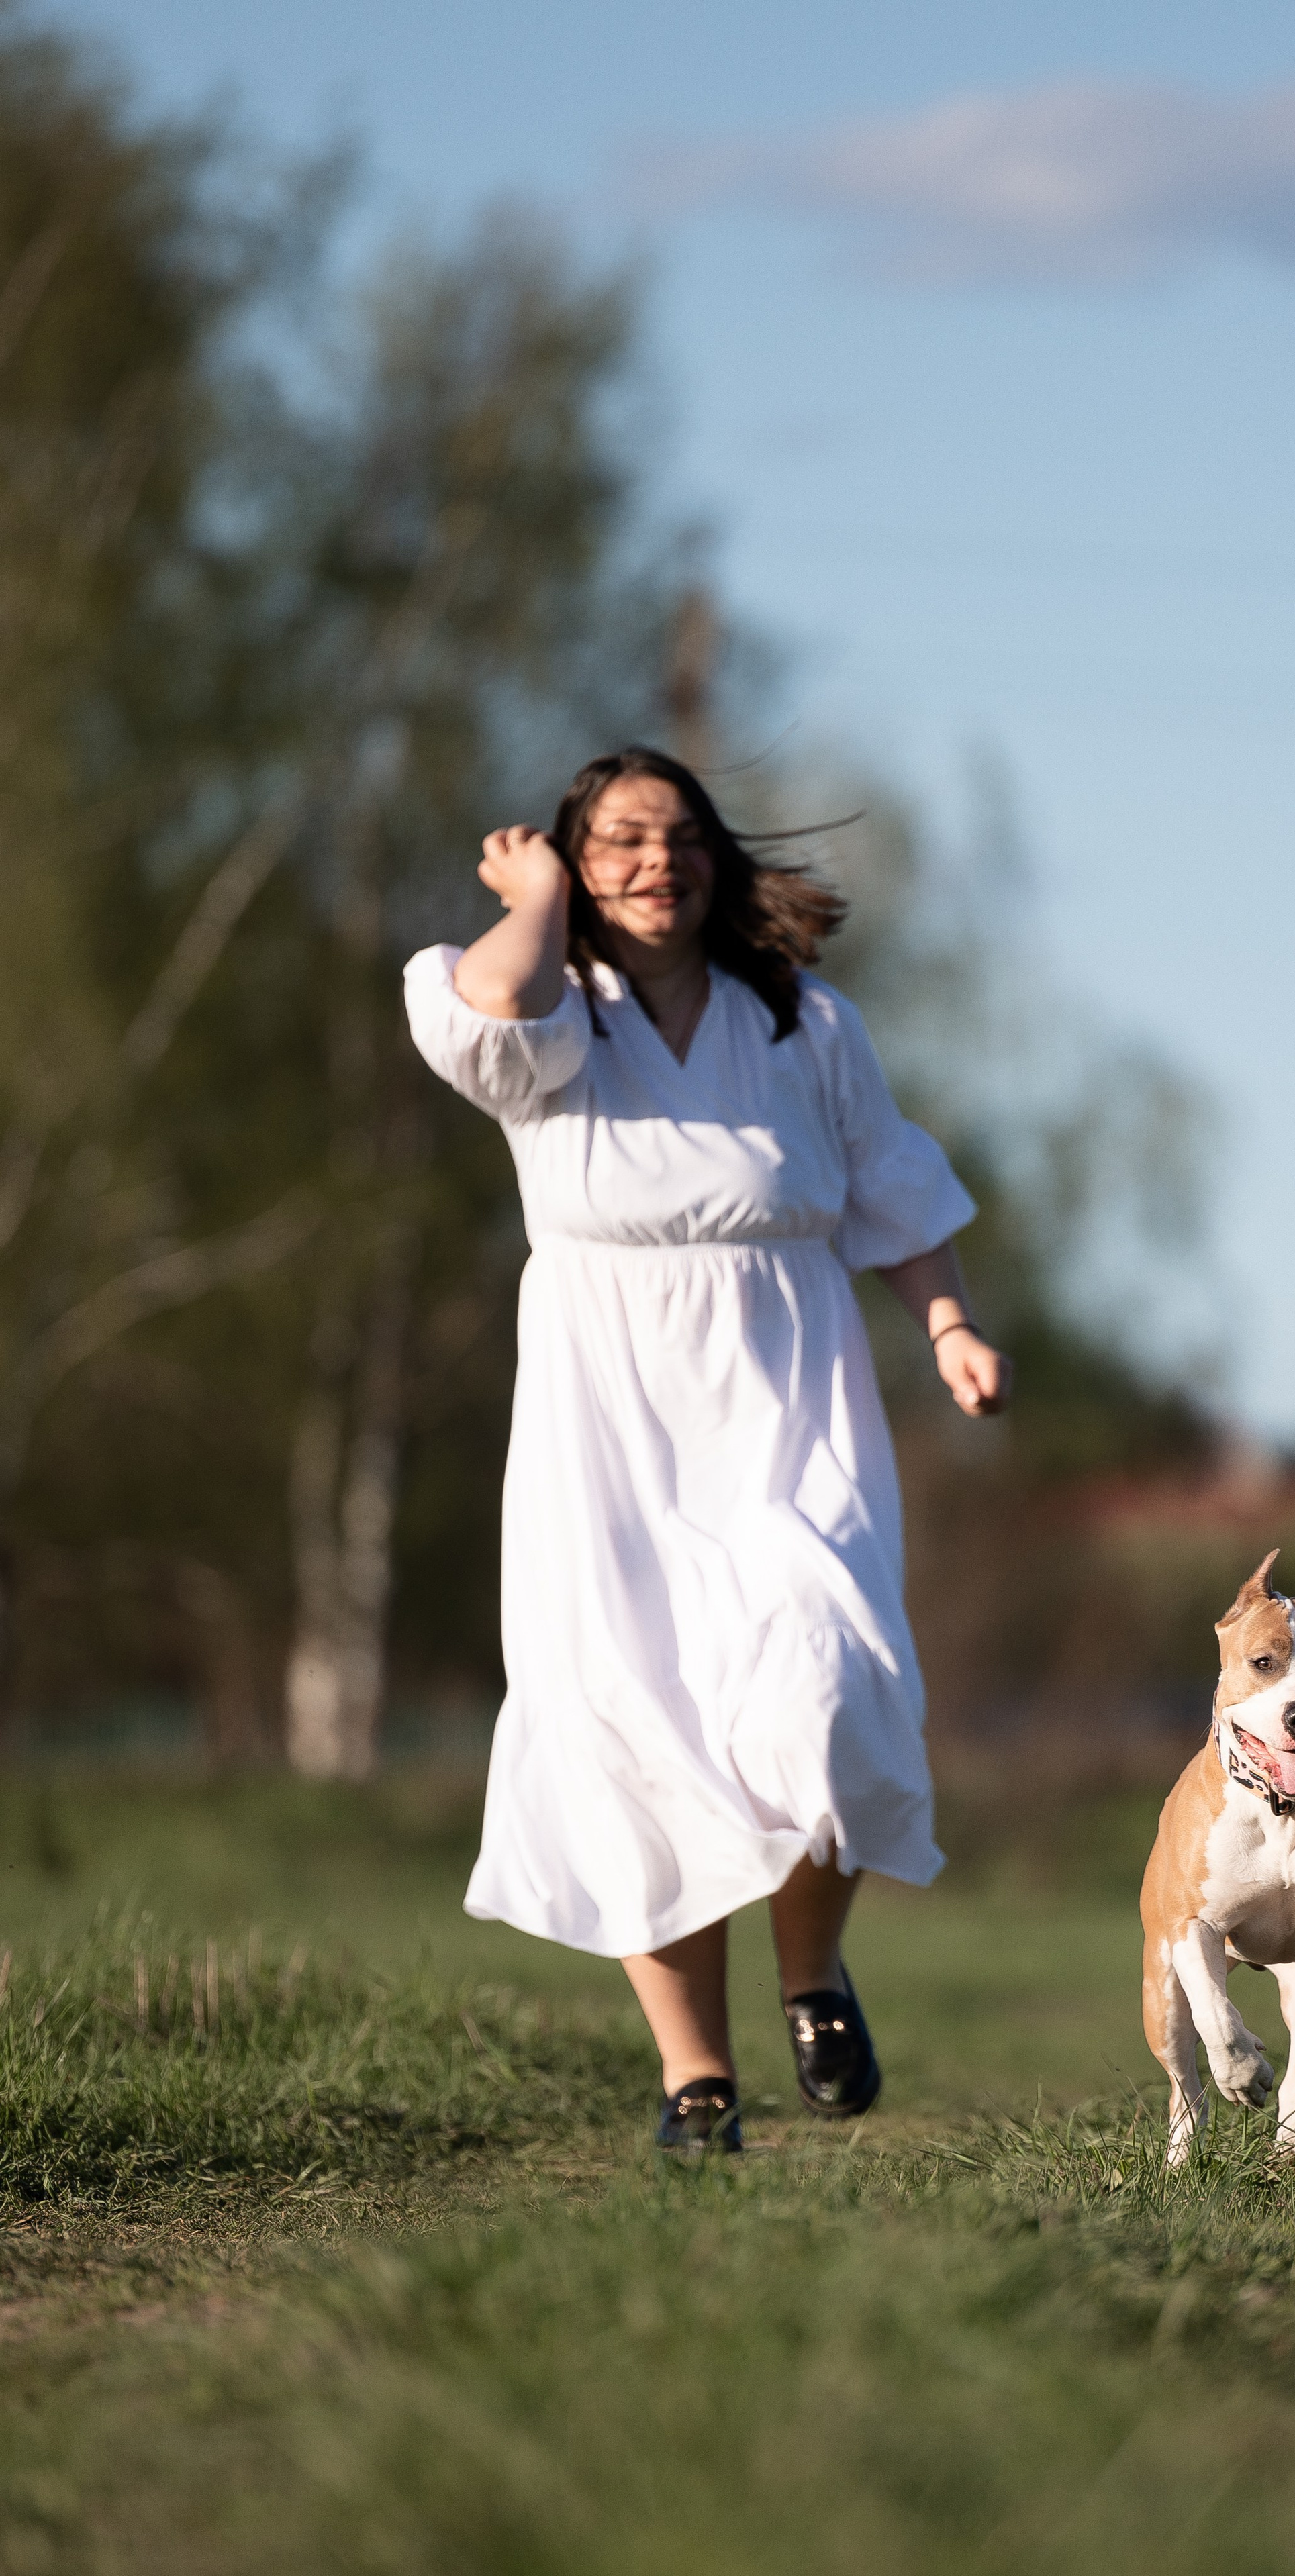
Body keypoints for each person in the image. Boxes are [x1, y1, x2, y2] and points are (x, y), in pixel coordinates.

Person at [403, 747, 1011, 2152]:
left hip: (787, 1396)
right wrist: (540, 896)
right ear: (566, 860)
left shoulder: (803, 1023)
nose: (653, 861)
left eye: (677, 837)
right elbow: (489, 1002)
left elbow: (890, 1186)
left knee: (830, 1673)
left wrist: (947, 1329)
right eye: (615, 840)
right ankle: (696, 2081)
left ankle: (811, 1972)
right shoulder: (554, 1012)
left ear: (718, 860)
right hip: (604, 1422)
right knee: (626, 1724)